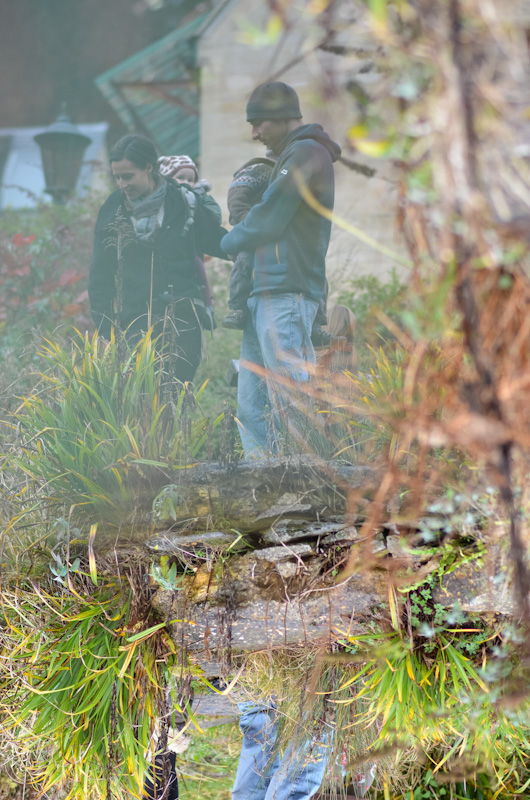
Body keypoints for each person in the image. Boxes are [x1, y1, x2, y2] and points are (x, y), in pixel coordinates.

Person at [220, 82, 341, 456]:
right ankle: (260, 477)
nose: (254, 133)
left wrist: (226, 242)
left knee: (290, 388)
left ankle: (311, 471)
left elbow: (269, 217)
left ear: (284, 117)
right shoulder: (294, 154)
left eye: (259, 123)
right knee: (252, 402)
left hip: (288, 289)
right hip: (264, 290)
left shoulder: (306, 152)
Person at [89, 135, 227, 382]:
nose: (122, 184)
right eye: (117, 177)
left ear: (148, 168)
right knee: (144, 394)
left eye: (128, 176)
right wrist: (107, 330)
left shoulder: (183, 201)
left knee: (178, 392)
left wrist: (257, 246)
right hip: (136, 322)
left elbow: (216, 240)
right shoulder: (113, 210)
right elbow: (101, 275)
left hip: (184, 320)